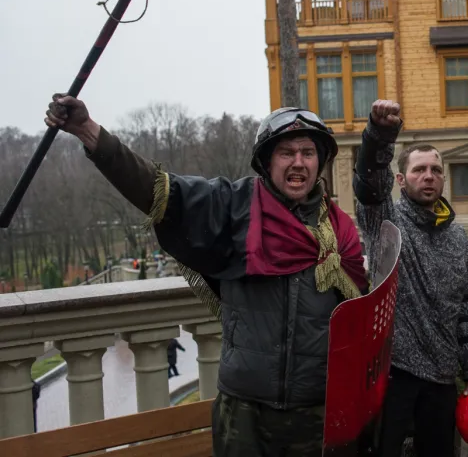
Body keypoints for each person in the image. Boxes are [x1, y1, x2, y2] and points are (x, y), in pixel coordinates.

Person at [44, 94, 368, 457]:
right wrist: (89, 132)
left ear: (320, 161)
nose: (298, 162)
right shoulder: (232, 206)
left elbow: (363, 325)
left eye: (308, 153)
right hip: (244, 413)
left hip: (318, 411)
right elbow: (158, 188)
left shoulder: (340, 233)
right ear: (266, 161)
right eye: (286, 153)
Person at [353, 99, 468, 457]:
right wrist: (380, 135)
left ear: (443, 178)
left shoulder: (458, 237)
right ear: (401, 179)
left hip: (443, 378)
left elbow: (467, 306)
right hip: (392, 375)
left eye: (435, 170)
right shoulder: (386, 222)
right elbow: (369, 185)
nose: (428, 176)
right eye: (418, 170)